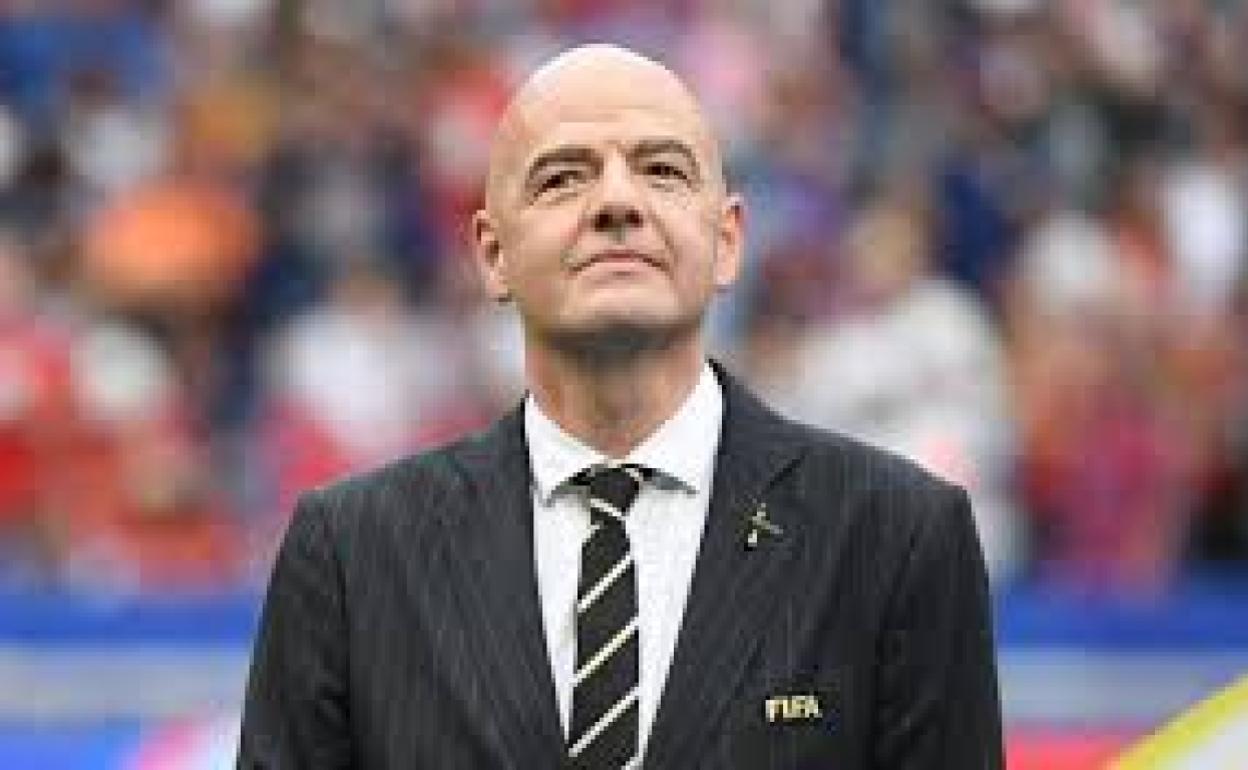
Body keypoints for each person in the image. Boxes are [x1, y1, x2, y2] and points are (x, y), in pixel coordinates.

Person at [238, 44, 1003, 769]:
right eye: (562, 178)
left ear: (728, 240)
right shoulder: (352, 554)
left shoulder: (897, 536)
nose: (615, 201)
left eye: (662, 171)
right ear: (493, 255)